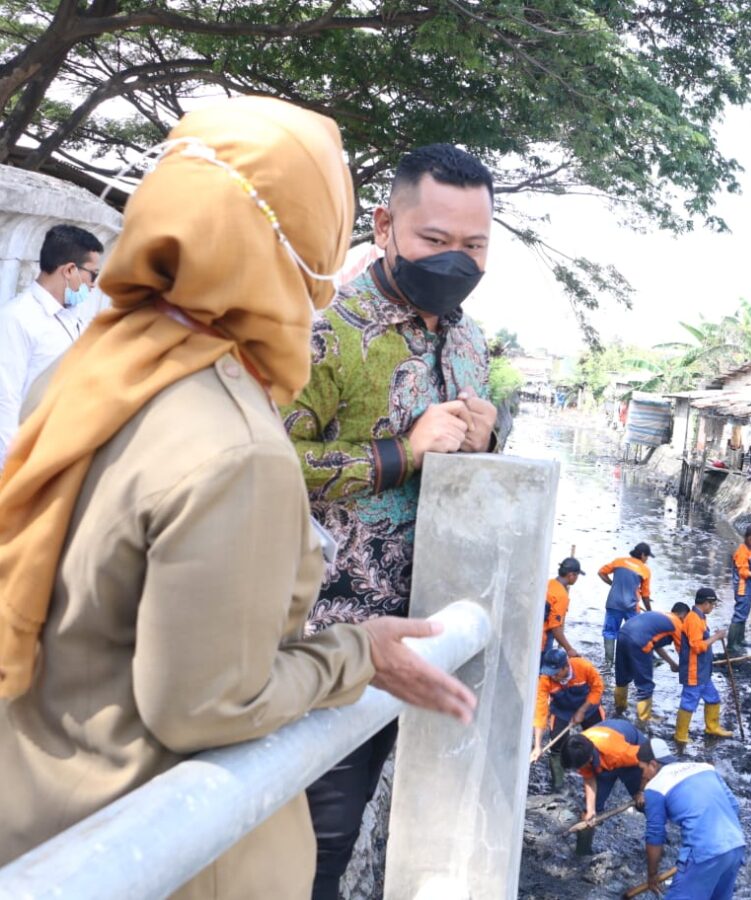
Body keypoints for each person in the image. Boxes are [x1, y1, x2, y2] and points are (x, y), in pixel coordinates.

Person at [0, 98, 477, 899]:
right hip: (169, 849)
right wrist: (361, 651)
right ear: (309, 244)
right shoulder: (235, 447)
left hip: (45, 811)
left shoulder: (86, 371)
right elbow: (212, 706)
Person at [281, 142, 504, 900]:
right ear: (384, 224)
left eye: (473, 245)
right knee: (314, 843)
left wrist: (487, 435)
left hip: (429, 633)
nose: (455, 260)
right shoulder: (323, 330)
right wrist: (401, 453)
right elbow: (257, 466)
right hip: (327, 647)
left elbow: (473, 465)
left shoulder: (469, 338)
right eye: (434, 241)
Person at [0, 224, 104, 466]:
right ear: (70, 270)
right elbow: (5, 400)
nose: (93, 285)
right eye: (93, 274)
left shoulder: (71, 317)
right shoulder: (18, 318)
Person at [638, 738, 746, 899]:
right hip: (736, 845)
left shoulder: (655, 787)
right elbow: (734, 806)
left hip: (704, 853)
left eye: (642, 769)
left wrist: (652, 875)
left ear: (653, 764)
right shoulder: (705, 768)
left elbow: (655, 835)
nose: (643, 776)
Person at [561, 719, 648, 856]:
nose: (579, 770)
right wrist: (591, 810)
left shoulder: (620, 752)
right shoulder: (579, 749)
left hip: (634, 757)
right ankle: (582, 854)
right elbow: (589, 779)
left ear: (589, 759)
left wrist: (642, 791)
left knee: (645, 803)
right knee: (589, 816)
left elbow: (648, 761)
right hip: (604, 758)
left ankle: (657, 843)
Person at [531, 648, 605, 789]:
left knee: (598, 742)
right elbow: (540, 711)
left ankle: (600, 775)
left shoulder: (583, 667)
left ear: (566, 666)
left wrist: (582, 710)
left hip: (589, 708)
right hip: (561, 710)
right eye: (550, 673)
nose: (553, 677)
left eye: (556, 673)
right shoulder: (545, 679)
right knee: (556, 747)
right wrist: (538, 746)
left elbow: (598, 688)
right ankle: (558, 786)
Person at [674, 588, 733, 745]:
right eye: (712, 604)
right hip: (694, 671)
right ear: (706, 603)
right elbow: (697, 647)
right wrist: (716, 637)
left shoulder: (700, 618)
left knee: (713, 698)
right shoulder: (693, 620)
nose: (713, 607)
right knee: (689, 701)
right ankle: (680, 735)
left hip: (703, 671)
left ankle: (712, 727)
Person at [616, 603, 689, 727]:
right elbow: (683, 652)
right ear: (683, 615)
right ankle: (644, 719)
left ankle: (619, 708)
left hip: (623, 634)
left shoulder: (660, 615)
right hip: (640, 642)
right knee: (645, 684)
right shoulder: (677, 623)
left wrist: (672, 663)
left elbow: (656, 644)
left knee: (622, 678)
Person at [598, 541, 655, 664]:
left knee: (609, 632)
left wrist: (612, 584)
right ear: (643, 555)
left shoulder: (619, 561)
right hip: (631, 606)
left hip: (613, 603)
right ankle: (632, 661)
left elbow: (601, 572)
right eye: (647, 557)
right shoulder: (644, 570)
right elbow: (645, 595)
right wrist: (649, 611)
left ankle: (608, 662)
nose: (647, 560)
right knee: (636, 633)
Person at [726, 525, 751, 656]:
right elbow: (743, 572)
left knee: (745, 614)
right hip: (742, 587)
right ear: (746, 538)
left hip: (750, 586)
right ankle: (732, 645)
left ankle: (740, 640)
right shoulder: (741, 552)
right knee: (739, 615)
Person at [542, 557, 584, 656]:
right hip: (542, 638)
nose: (577, 578)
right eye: (577, 575)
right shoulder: (561, 595)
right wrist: (569, 649)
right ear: (571, 575)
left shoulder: (549, 582)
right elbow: (555, 628)